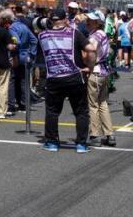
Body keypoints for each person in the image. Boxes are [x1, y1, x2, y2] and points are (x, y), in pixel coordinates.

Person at [36, 8, 93, 153]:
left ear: (51, 20)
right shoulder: (74, 33)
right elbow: (91, 49)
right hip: (74, 76)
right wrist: (90, 67)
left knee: (52, 111)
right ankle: (81, 144)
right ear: (65, 19)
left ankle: (52, 142)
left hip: (54, 78)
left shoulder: (42, 35)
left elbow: (36, 26)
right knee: (80, 111)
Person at [85, 11, 116, 147]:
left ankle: (95, 135)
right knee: (102, 104)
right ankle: (110, 135)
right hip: (104, 72)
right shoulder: (102, 34)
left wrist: (88, 67)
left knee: (93, 105)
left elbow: (91, 50)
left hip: (96, 71)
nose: (88, 21)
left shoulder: (95, 35)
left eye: (91, 20)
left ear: (98, 23)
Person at [8, 4, 38, 115]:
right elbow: (34, 40)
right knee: (24, 81)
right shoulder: (24, 26)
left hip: (16, 56)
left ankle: (11, 104)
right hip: (26, 57)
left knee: (12, 80)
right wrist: (32, 54)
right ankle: (24, 104)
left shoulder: (12, 28)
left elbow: (17, 42)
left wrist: (13, 53)